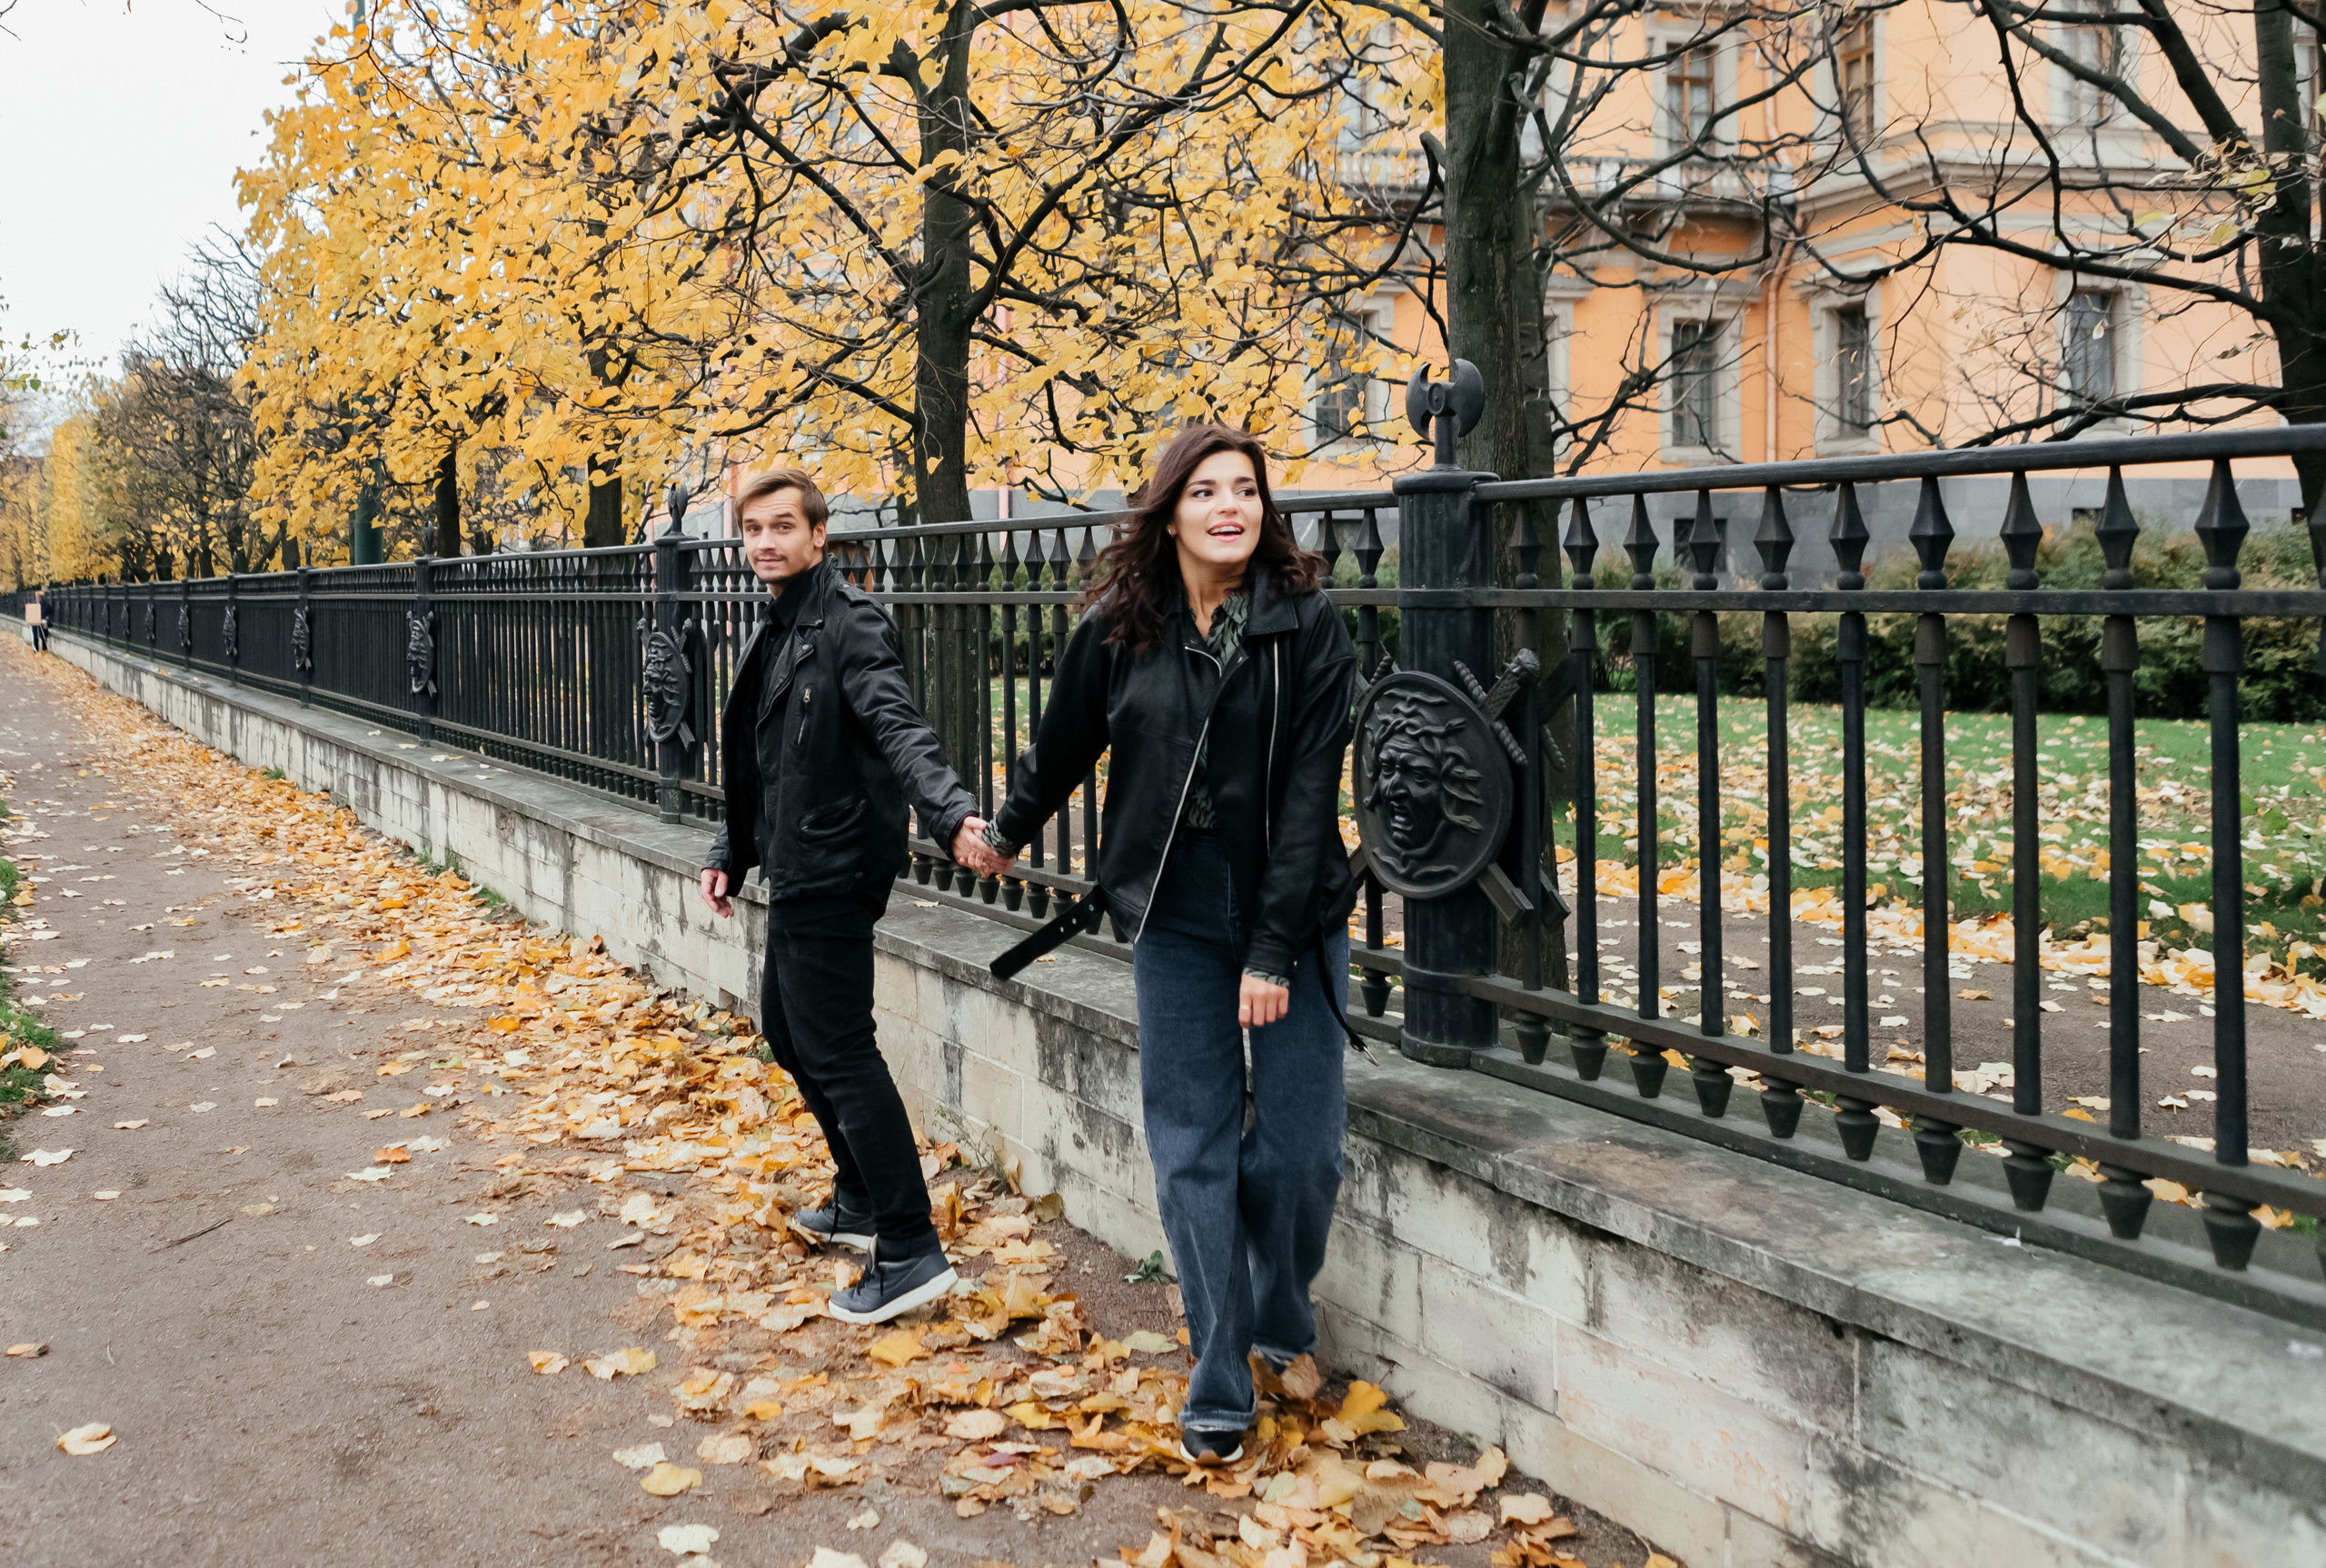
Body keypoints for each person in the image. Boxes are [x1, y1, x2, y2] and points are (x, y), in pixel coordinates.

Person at [980, 423, 1358, 1464]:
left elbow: (1309, 796)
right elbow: (1061, 744)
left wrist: (1276, 950)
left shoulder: (1309, 625)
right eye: (1206, 491)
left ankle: (1279, 1308)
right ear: (1171, 509)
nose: (1229, 506)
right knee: (1190, 1147)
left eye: (1246, 489)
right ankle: (1220, 1366)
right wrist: (1008, 832)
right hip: (1172, 910)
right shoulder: (1121, 626)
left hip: (1291, 910)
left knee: (1297, 1153)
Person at [698, 468, 1009, 1325]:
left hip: (834, 866)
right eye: (753, 528)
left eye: (783, 527)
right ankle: (865, 1199)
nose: (766, 541)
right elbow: (764, 760)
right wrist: (735, 845)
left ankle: (909, 1246)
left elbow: (897, 724)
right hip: (796, 861)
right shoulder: (784, 620)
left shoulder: (848, 620)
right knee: (788, 1030)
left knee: (837, 1049)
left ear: (818, 536)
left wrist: (951, 815)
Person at [28, 588, 48, 652]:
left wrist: (46, 620)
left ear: (42, 597)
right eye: (37, 597)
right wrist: (30, 620)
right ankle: (35, 651)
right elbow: (30, 613)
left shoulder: (47, 605)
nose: (38, 598)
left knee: (43, 637)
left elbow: (50, 614)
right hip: (35, 623)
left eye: (39, 597)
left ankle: (44, 650)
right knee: (35, 637)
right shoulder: (33, 604)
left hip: (43, 623)